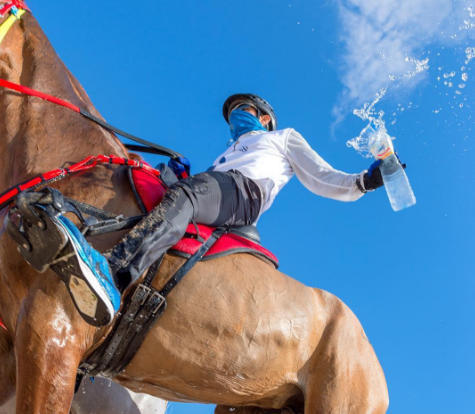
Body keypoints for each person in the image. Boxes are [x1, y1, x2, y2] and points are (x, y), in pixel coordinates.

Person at [51, 94, 385, 326]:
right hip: (218, 186)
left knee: (188, 194)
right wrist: (176, 176)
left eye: (243, 109)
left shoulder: (282, 138)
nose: (236, 116)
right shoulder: (229, 152)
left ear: (264, 118)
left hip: (245, 191)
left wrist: (363, 182)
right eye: (234, 112)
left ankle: (113, 272)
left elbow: (320, 175)